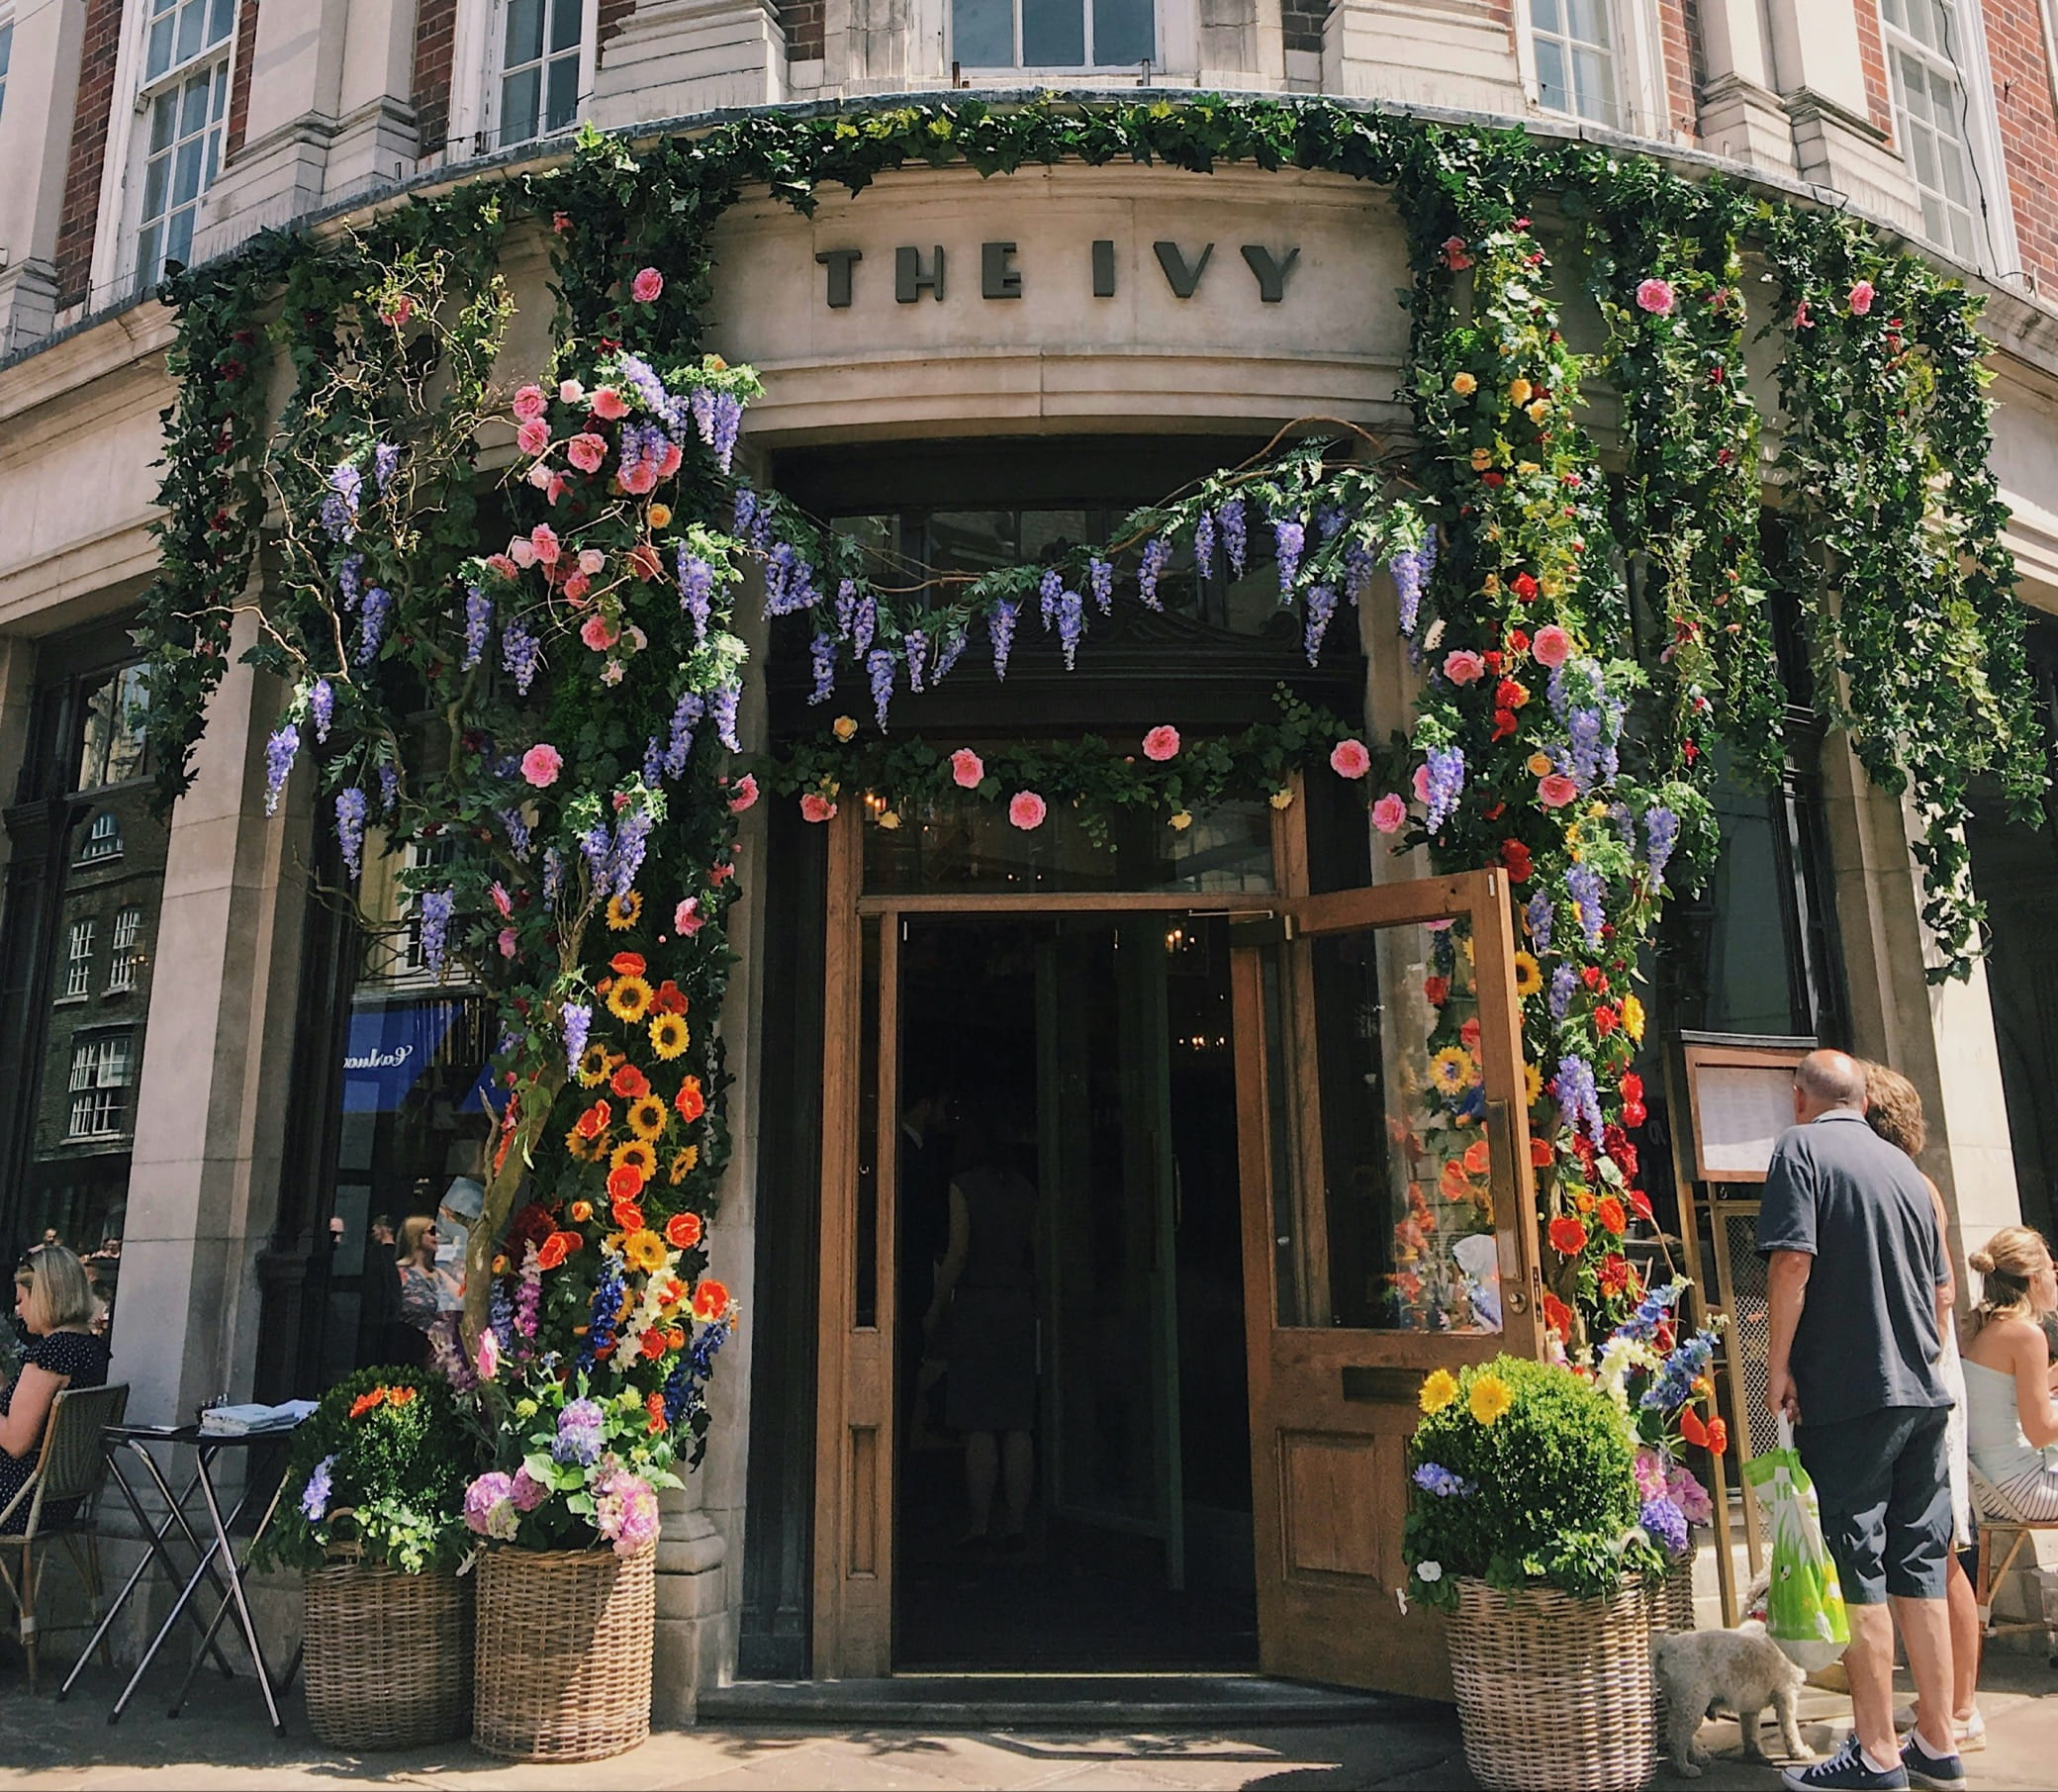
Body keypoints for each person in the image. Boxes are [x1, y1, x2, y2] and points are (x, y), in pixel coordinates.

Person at [1759, 1049, 1958, 1792]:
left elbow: (1791, 1265)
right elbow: (1941, 1288)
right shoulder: (1907, 1170)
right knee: (1919, 1565)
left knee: (1859, 1564)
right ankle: (1937, 1739)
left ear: (1799, 1098)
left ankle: (1877, 1751)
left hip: (1849, 1392)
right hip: (1922, 1391)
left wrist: (1777, 1366)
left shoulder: (1799, 1148)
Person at [1859, 1063, 1985, 1755]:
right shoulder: (1911, 1181)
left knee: (1942, 1545)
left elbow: (1940, 1294)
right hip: (1926, 1368)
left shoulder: (1914, 1186)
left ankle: (1961, 1706)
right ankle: (1948, 1705)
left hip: (1926, 1372)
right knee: (1934, 1544)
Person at [926, 1128, 1037, 1550]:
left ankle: (979, 1525)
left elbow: (957, 1252)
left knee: (979, 1424)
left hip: (978, 1306)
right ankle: (1018, 1524)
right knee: (1017, 1421)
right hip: (1018, 1307)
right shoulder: (1028, 1190)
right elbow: (1037, 1248)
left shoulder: (964, 1187)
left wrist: (937, 1306)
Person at [0, 1247, 111, 1535]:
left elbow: (15, 1441)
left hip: (17, 1498)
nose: (18, 1310)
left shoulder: (52, 1353)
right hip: (59, 1498)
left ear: (44, 1297)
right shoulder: (89, 1348)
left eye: (22, 1300)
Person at [1958, 1226, 2058, 1520]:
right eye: (2052, 1268)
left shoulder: (1986, 1327)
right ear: (2034, 1279)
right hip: (2020, 1487)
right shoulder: (2025, 1334)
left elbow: (2007, 1396)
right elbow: (2039, 1431)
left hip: (1991, 1487)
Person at [898, 1082, 957, 1450]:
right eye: (943, 1106)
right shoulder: (904, 1153)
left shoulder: (922, 1152)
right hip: (906, 1280)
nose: (946, 1116)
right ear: (925, 1104)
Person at [392, 1216, 441, 1365]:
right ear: (416, 1236)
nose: (437, 1236)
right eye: (432, 1231)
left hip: (442, 1352)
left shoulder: (440, 1274)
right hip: (410, 1350)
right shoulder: (398, 1272)